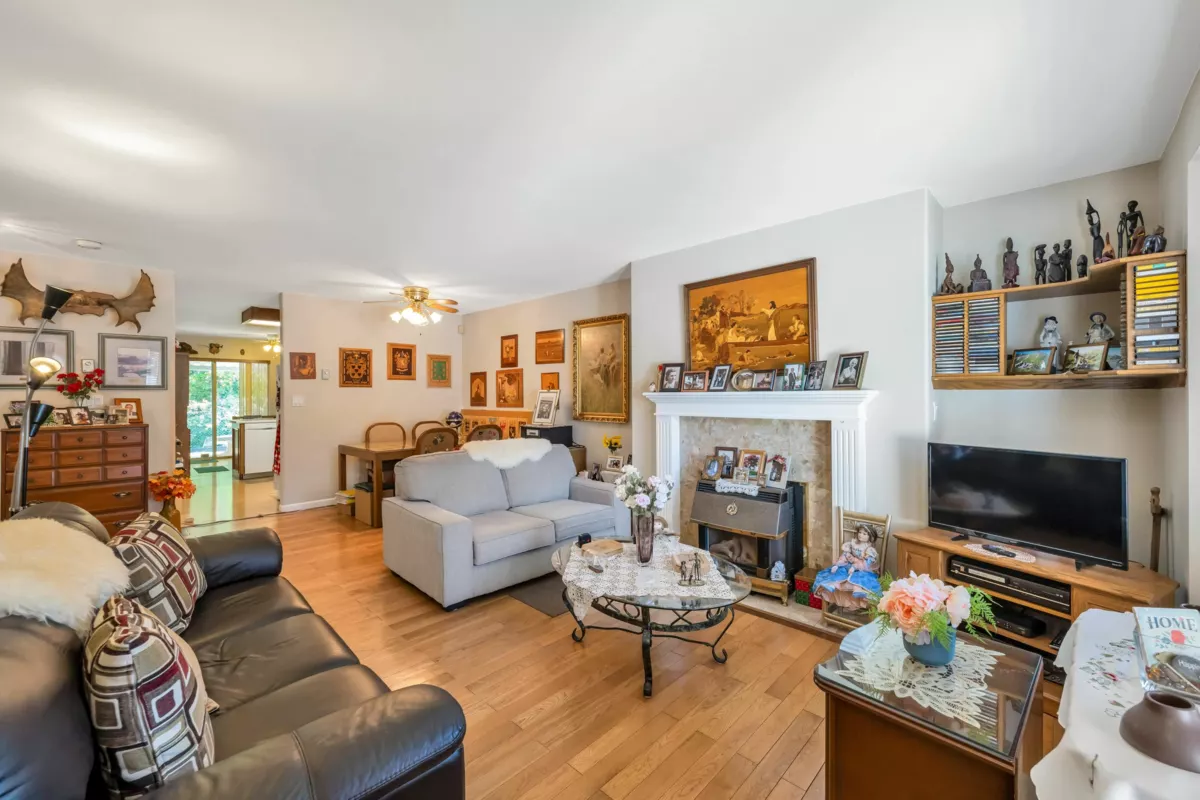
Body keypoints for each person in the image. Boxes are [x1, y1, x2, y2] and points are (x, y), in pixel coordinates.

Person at [813, 525, 881, 610]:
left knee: (860, 577)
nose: (860, 535)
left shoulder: (869, 549)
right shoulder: (853, 544)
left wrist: (855, 566)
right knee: (839, 572)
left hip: (862, 569)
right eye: (860, 532)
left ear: (870, 537)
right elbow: (845, 555)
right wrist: (837, 565)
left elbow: (866, 564)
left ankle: (858, 590)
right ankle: (832, 585)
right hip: (848, 565)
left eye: (864, 534)